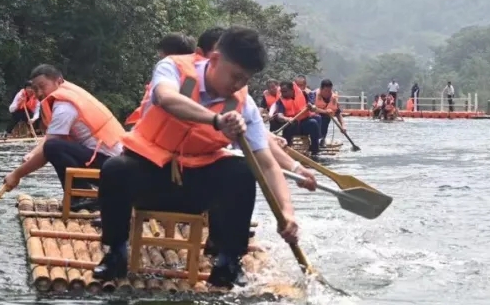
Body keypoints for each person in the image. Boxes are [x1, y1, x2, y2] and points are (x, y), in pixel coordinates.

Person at [93, 26, 304, 288]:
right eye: (235, 76)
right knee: (115, 169)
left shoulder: (244, 104)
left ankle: (228, 261)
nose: (238, 85)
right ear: (214, 59)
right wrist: (216, 120)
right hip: (150, 175)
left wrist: (287, 212)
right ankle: (116, 253)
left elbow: (267, 163)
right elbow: (167, 98)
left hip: (196, 189)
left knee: (241, 170)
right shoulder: (173, 68)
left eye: (245, 79)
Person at [3, 65, 125, 210]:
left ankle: (83, 196)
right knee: (53, 146)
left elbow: (50, 147)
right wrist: (33, 153)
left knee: (53, 148)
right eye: (35, 89)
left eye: (43, 86)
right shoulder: (65, 97)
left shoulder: (64, 106)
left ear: (58, 81)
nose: (39, 92)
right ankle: (79, 195)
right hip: (112, 164)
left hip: (112, 170)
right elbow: (51, 136)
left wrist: (16, 175)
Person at [125, 33, 197, 128]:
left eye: (161, 52)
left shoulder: (167, 69)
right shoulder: (193, 78)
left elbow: (165, 99)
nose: (159, 55)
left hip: (151, 131)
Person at [269, 81, 322, 157]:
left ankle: (315, 150)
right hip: (291, 125)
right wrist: (286, 119)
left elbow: (313, 106)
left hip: (304, 123)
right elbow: (279, 115)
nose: (283, 94)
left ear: (292, 90)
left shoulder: (304, 94)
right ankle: (287, 151)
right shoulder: (281, 100)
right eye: (282, 92)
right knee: (289, 126)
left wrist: (312, 106)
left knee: (313, 123)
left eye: (285, 92)